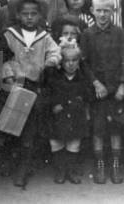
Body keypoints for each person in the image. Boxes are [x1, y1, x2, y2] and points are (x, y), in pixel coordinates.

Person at [0, 0, 60, 188]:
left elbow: (55, 52)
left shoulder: (44, 36)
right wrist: (8, 74)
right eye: (25, 14)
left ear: (40, 16)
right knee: (12, 127)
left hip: (35, 86)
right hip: (15, 85)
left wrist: (50, 62)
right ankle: (11, 164)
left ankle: (23, 169)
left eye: (34, 14)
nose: (30, 17)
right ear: (17, 15)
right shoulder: (9, 35)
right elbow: (2, 57)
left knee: (30, 131)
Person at [80, 0, 124, 185]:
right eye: (99, 10)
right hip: (97, 90)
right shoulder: (87, 34)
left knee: (116, 128)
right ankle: (99, 164)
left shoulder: (119, 33)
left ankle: (116, 164)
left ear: (113, 12)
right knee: (98, 129)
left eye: (106, 11)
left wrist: (123, 84)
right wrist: (95, 83)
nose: (102, 14)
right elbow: (83, 63)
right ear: (92, 11)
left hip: (116, 87)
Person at [40, 40, 93, 184]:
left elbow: (88, 95)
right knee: (57, 143)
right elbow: (47, 93)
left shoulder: (82, 78)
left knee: (74, 143)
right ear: (61, 62)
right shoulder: (54, 77)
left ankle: (71, 171)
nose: (70, 64)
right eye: (67, 61)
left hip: (76, 115)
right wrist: (54, 104)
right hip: (58, 116)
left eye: (74, 61)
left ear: (79, 62)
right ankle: (60, 171)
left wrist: (77, 101)